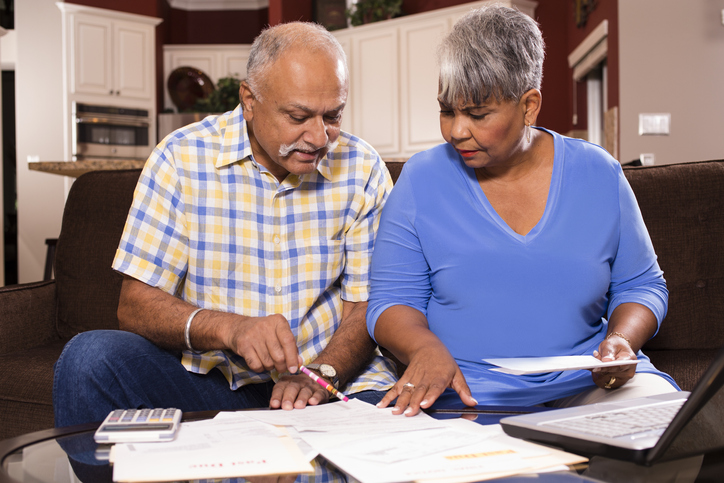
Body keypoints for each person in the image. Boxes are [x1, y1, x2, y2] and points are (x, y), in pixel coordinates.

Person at [53, 21, 397, 428]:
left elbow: (365, 305)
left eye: (333, 116)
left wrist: (321, 375)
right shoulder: (180, 159)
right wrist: (229, 329)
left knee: (391, 432)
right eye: (299, 116)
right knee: (88, 359)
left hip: (332, 383)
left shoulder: (363, 168)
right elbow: (135, 305)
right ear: (249, 99)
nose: (320, 137)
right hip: (213, 383)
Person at [366, 5, 679, 417]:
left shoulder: (599, 173)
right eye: (447, 110)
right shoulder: (421, 179)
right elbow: (390, 302)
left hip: (585, 382)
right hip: (463, 389)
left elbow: (642, 286)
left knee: (669, 425)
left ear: (529, 106)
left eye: (477, 114)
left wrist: (622, 340)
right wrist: (425, 350)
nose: (457, 130)